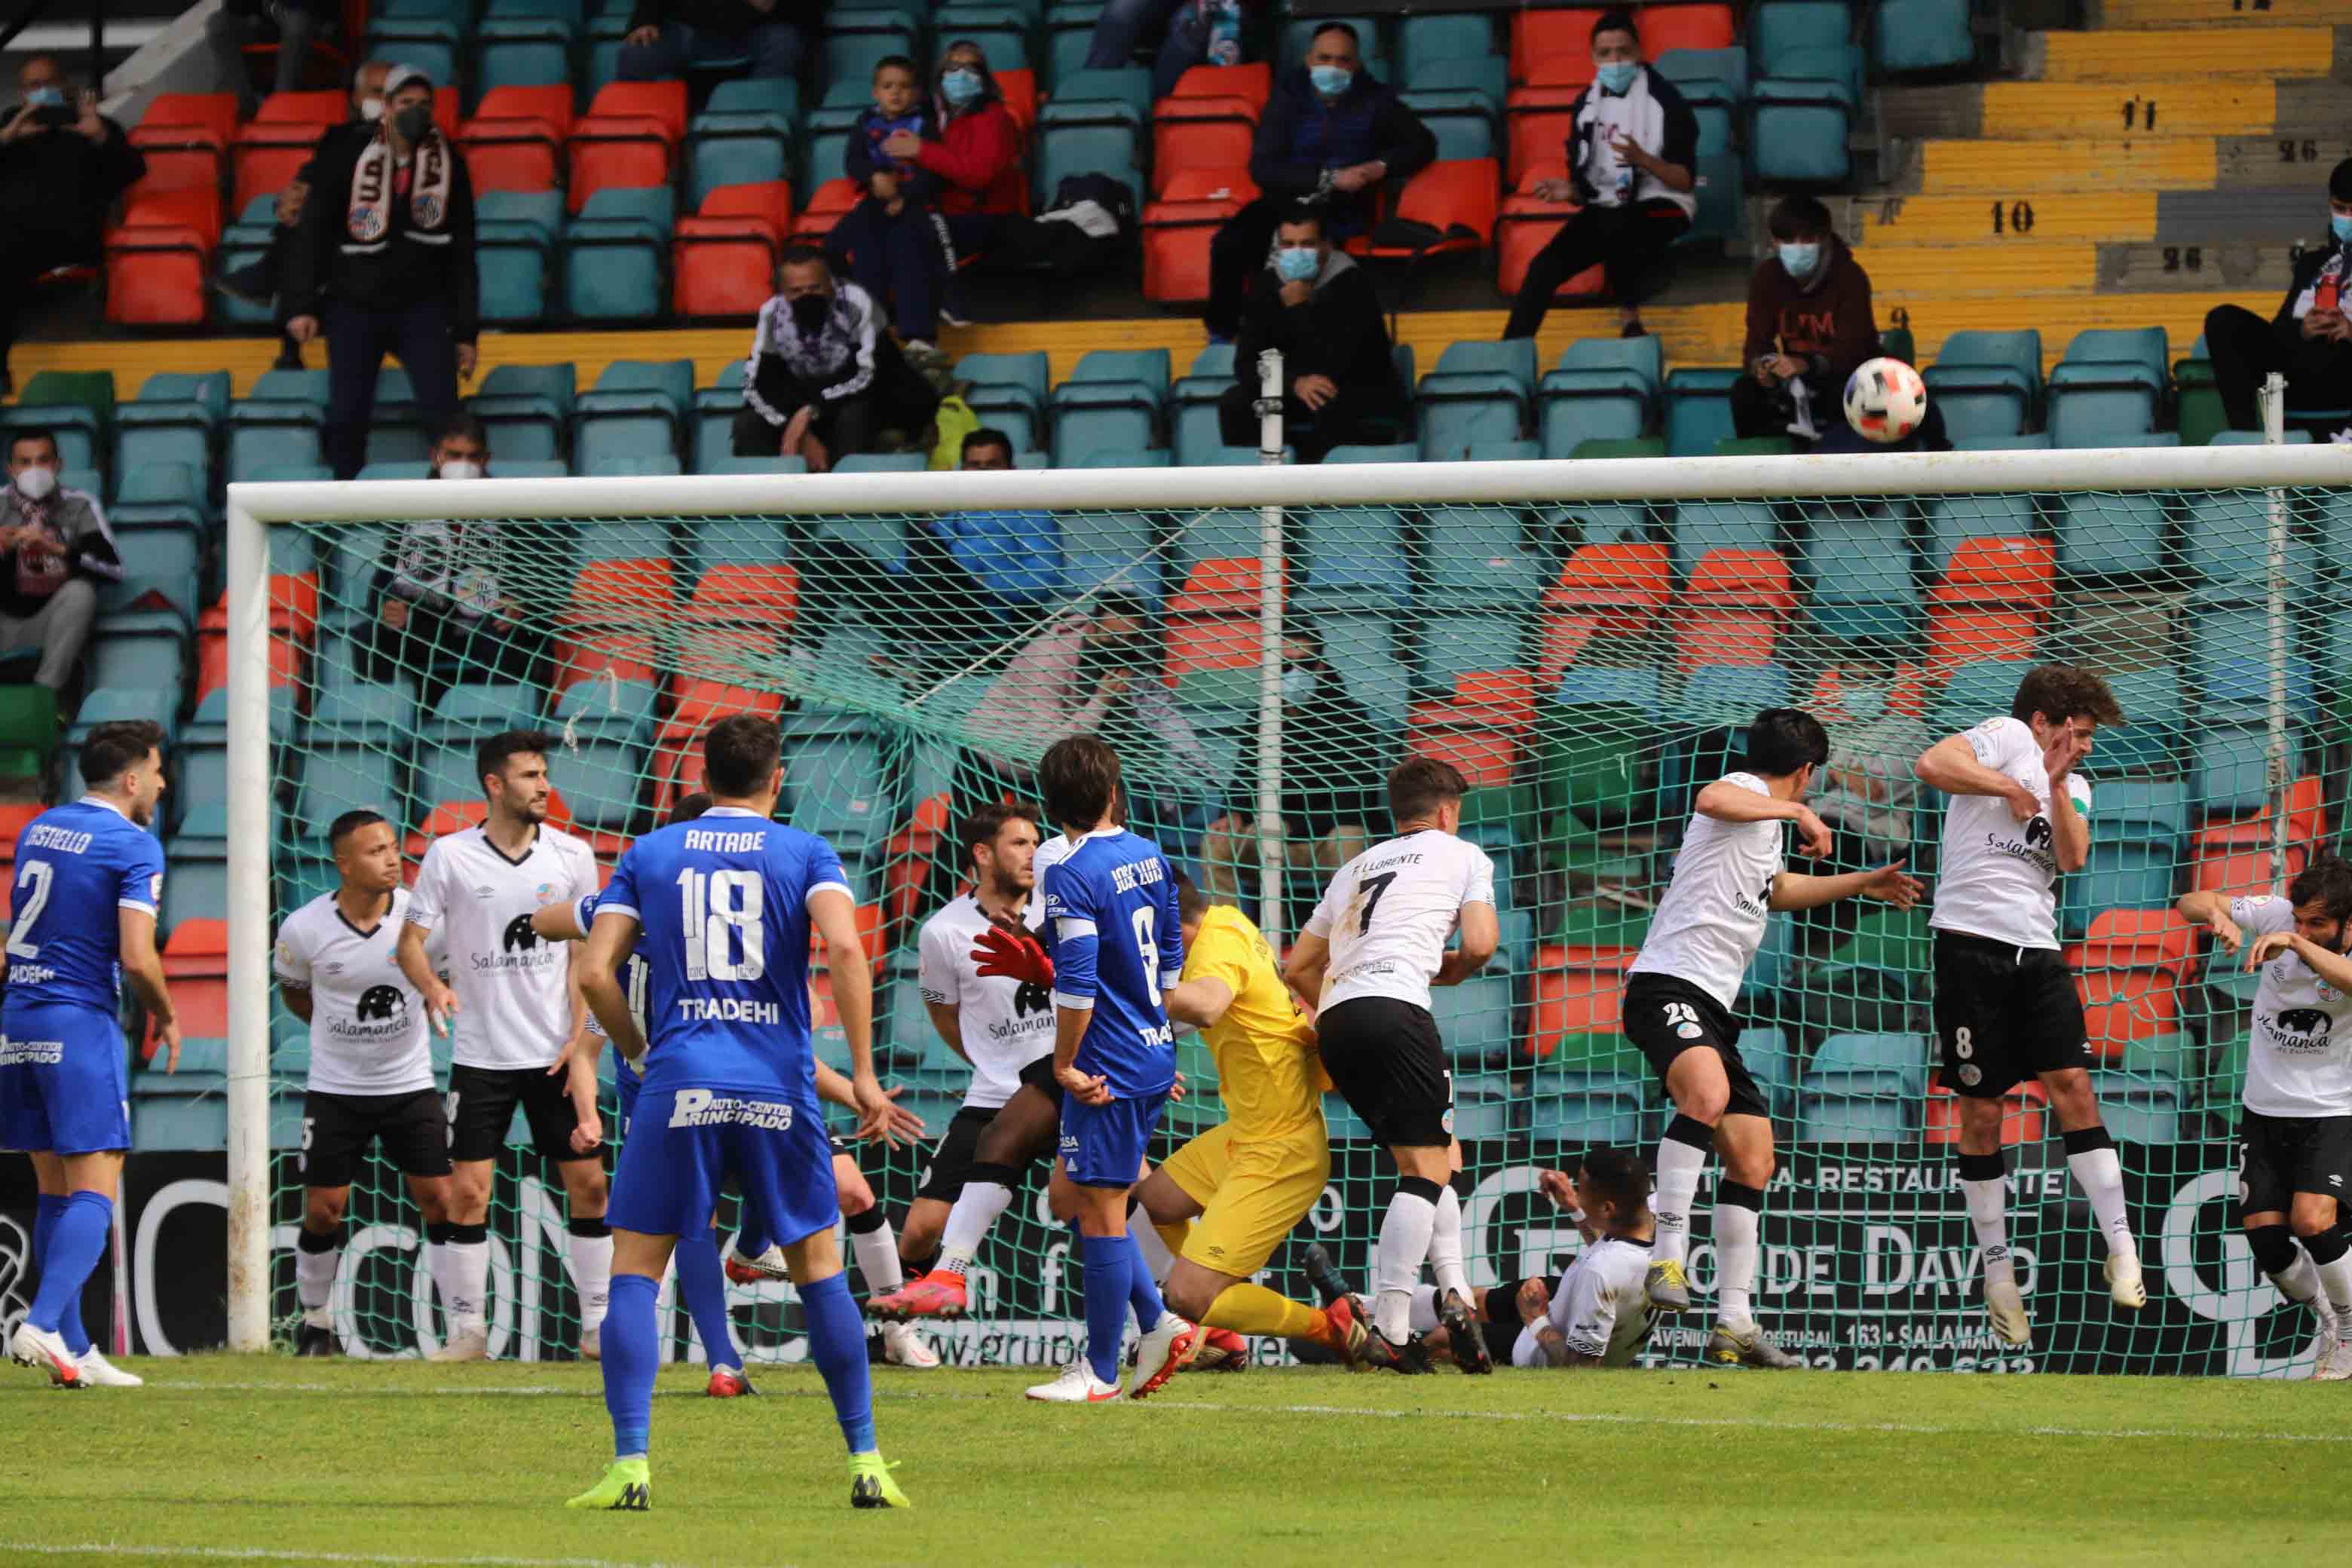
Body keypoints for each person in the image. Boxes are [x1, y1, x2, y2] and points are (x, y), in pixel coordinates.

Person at [565, 714, 908, 1511]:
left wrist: (638, 1048)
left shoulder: (651, 853)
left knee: (634, 1272)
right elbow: (848, 951)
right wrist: (861, 1073)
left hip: (678, 1077)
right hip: (778, 1083)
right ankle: (865, 1460)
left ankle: (631, 1466)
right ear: (776, 778)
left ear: (705, 774)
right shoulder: (805, 851)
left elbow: (592, 970)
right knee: (820, 1268)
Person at [537, 792, 936, 1389]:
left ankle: (880, 1318)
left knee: (844, 1188)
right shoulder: (640, 922)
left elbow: (557, 941)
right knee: (694, 1220)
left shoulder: (685, 926)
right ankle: (731, 1360)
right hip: (681, 1090)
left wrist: (858, 1094)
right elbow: (586, 1021)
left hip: (742, 1076)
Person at [1626, 708, 1921, 1367]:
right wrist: (1801, 816)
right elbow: (1711, 795)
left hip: (1712, 1005)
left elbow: (1777, 890)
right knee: (1703, 1096)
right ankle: (1667, 1260)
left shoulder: (1756, 827)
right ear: (1807, 772)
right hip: (1667, 986)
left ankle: (1735, 1322)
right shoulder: (1747, 793)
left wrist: (1864, 882)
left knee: (1755, 1161)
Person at [1913, 663, 2144, 1346]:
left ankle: (2123, 1248)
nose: (2088, 746)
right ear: (2044, 722)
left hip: (2036, 952)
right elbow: (1932, 761)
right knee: (1982, 1112)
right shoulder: (2007, 734)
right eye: (2080, 733)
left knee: (2073, 1085)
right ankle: (1998, 1274)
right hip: (1967, 949)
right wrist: (2014, 782)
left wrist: (2054, 788)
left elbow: (2072, 859)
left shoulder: (2076, 785)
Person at [395, 730, 606, 1364]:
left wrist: (579, 1037)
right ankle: (466, 1331)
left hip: (553, 1054)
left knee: (591, 1185)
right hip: (482, 1057)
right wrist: (433, 985)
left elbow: (585, 955)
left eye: (545, 775)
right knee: (468, 1193)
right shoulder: (449, 857)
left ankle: (597, 1325)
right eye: (530, 776)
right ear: (494, 784)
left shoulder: (572, 855)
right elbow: (408, 944)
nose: (544, 787)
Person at [1283, 757, 1499, 1372]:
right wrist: (1454, 967)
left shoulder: (1354, 866)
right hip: (1396, 1008)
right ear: (1447, 811)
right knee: (1432, 1164)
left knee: (1424, 1159)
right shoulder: (1463, 856)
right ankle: (1393, 1325)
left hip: (1338, 1020)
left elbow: (1297, 969)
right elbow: (1482, 943)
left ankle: (1448, 1292)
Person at [1018, 735, 1199, 1402]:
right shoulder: (1148, 852)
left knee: (1098, 1211)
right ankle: (1158, 1322)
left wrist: (1066, 1062)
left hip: (1107, 1061)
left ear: (1052, 806)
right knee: (1081, 1198)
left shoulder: (1070, 871)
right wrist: (1157, 1025)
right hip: (1150, 1046)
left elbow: (1079, 981)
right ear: (1114, 792)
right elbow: (1173, 946)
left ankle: (1097, 1372)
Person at [1132, 874, 1367, 1371]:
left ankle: (1333, 1328)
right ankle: (1212, 1318)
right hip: (1250, 1132)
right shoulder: (1227, 919)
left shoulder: (1214, 947)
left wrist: (1133, 983)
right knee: (1157, 1202)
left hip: (1281, 1149)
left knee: (1188, 1294)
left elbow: (1209, 1004)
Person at [2, 719, 174, 1389]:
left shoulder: (38, 829)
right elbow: (136, 955)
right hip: (78, 1020)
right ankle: (42, 1324)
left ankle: (74, 1349)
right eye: (157, 771)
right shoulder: (135, 845)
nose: (162, 783)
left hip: (18, 1019)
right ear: (132, 779)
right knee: (97, 1188)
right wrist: (165, 1010)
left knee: (55, 1190)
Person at [273, 809, 455, 1359]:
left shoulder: (422, 920)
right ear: (343, 863)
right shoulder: (304, 929)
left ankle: (462, 1325)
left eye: (394, 847)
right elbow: (296, 993)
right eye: (376, 851)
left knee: (441, 1202)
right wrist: (339, 1033)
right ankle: (315, 1324)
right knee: (324, 1209)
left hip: (410, 1085)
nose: (392, 858)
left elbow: (439, 979)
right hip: (335, 1090)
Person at [2178, 856, 2352, 1379]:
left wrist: (2297, 945)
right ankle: (2329, 1314)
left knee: (2312, 1220)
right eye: (2297, 920)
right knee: (2269, 1247)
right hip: (2264, 1109)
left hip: (2333, 1110)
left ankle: (2349, 1332)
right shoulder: (2277, 913)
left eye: (2316, 923)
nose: (2301, 928)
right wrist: (2218, 916)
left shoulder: (2302, 941)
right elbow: (2192, 901)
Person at [284, 65, 479, 482]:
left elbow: (463, 251)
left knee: (443, 413)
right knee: (347, 418)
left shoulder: (450, 162)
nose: (416, 111)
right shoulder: (347, 152)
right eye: (406, 103)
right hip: (354, 306)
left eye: (425, 104)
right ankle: (344, 517)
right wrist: (301, 304)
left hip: (422, 308)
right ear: (386, 107)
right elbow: (313, 231)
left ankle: (452, 516)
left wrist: (466, 331)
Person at [896, 805, 1054, 1277]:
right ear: (983, 853)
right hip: (995, 1092)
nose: (1032, 854)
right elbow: (943, 1014)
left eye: (1035, 843)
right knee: (922, 1228)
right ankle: (898, 1332)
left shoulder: (1061, 906)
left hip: (1066, 1085)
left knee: (1125, 1201)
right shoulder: (943, 931)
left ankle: (1173, 1323)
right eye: (1019, 843)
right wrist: (991, 1058)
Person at [1203, 24, 1435, 344]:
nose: (1334, 67)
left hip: (1342, 207)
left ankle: (1285, 335)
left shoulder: (1377, 99)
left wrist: (1378, 168)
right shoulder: (1288, 95)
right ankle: (1222, 332)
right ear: (1309, 60)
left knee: (1296, 259)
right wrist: (1327, 177)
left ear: (1357, 64)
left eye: (1343, 60)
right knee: (1231, 244)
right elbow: (1263, 167)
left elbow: (1423, 144)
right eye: (1325, 58)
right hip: (1286, 198)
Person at [1501, 11, 1695, 342]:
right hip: (1607, 209)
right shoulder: (1586, 106)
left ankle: (1630, 319)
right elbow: (1590, 187)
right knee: (1544, 268)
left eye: (1624, 51)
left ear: (1639, 52)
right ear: (1593, 57)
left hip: (1664, 203)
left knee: (1619, 225)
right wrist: (1571, 191)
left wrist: (1644, 160)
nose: (1615, 60)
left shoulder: (1667, 101)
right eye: (1605, 53)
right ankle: (1510, 351)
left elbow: (1685, 180)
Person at [955, 593, 1212, 841]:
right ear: (1092, 628)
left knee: (1054, 846)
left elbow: (1161, 710)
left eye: (1131, 639)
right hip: (992, 754)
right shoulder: (1049, 656)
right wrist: (1101, 701)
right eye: (1112, 638)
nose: (1120, 648)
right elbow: (1049, 746)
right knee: (959, 845)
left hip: (1046, 774)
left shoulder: (1133, 654)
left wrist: (1194, 758)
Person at [219, 61, 393, 372]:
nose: (384, 100)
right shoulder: (339, 137)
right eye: (376, 92)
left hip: (384, 230)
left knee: (308, 228)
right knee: (303, 223)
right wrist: (287, 201)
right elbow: (310, 178)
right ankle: (278, 294)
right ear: (355, 98)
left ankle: (283, 324)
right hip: (336, 228)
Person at [1200, 622, 1389, 907]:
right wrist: (1234, 812)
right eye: (1285, 666)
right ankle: (1232, 941)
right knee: (1216, 843)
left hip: (1325, 840)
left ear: (1321, 667)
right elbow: (1243, 781)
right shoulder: (1260, 718)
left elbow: (1353, 805)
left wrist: (1289, 824)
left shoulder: (1352, 721)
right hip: (1272, 837)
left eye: (1306, 663)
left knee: (1349, 837)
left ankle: (1352, 941)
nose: (1296, 674)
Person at [365, 418, 543, 706]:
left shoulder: (512, 505)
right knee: (369, 635)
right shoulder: (408, 507)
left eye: (472, 456)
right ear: (436, 457)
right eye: (454, 455)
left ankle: (499, 724)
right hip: (424, 622)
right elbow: (383, 576)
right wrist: (388, 606)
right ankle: (379, 729)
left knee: (507, 634)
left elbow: (536, 571)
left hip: (487, 622)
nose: (463, 464)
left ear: (486, 459)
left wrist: (520, 601)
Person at [1213, 207, 1409, 464]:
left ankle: (1318, 496)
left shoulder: (1352, 284)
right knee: (1236, 402)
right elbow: (1246, 363)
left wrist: (1299, 308)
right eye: (1288, 244)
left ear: (1326, 246)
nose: (1296, 252)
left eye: (1306, 244)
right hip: (1296, 389)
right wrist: (1293, 384)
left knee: (1326, 398)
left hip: (1354, 389)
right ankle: (1258, 490)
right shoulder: (1266, 285)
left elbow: (1337, 363)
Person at [0, 56, 145, 398]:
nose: (42, 92)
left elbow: (133, 171)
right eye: (33, 86)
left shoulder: (92, 123)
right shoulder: (11, 126)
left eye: (48, 83)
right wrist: (8, 137)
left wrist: (100, 138)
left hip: (72, 236)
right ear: (21, 93)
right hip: (15, 239)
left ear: (64, 86)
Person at [870, 41, 1026, 349]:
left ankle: (921, 335)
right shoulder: (930, 117)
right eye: (952, 68)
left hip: (986, 220)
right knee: (882, 229)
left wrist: (922, 150)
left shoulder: (994, 118)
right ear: (940, 76)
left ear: (984, 77)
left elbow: (978, 175)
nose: (960, 75)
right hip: (937, 213)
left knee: (910, 233)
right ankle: (888, 335)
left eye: (970, 69)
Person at [731, 247, 940, 469]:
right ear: (782, 293)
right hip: (806, 403)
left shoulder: (855, 304)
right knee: (748, 424)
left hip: (873, 396)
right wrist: (792, 423)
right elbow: (759, 381)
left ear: (831, 284)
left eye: (815, 288)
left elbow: (866, 376)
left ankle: (845, 497)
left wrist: (809, 412)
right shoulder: (772, 314)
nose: (806, 297)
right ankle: (766, 498)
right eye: (796, 291)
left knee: (854, 414)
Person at [2204, 157, 2352, 435]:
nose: (2346, 218)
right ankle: (2244, 437)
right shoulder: (2312, 264)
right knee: (2223, 320)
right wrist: (2303, 330)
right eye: (2339, 209)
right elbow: (2279, 336)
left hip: (2344, 377)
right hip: (2300, 375)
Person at [1731, 195, 1879, 446]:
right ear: (1775, 242)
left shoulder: (1850, 277)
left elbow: (1855, 350)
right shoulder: (1766, 277)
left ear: (1823, 238)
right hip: (1794, 377)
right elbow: (1756, 341)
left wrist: (1809, 364)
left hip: (1843, 376)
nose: (1797, 247)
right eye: (1788, 240)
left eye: (1807, 239)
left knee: (1846, 390)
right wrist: (1764, 366)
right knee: (1745, 392)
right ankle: (1761, 470)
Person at [1797, 661, 1931, 937]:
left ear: (1888, 684)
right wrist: (1845, 771)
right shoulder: (1832, 730)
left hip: (1868, 831)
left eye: (1870, 680)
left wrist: (1834, 768)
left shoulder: (1911, 732)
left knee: (1811, 852)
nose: (1859, 689)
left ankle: (1809, 945)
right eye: (1851, 680)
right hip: (1815, 819)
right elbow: (1802, 788)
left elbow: (1874, 792)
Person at [828, 57, 943, 350]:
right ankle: (869, 330)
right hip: (874, 200)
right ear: (875, 92)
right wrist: (873, 177)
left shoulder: (925, 125)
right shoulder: (866, 122)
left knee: (909, 254)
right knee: (856, 251)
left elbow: (933, 173)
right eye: (888, 86)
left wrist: (904, 196)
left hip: (914, 205)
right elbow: (853, 161)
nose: (896, 93)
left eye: (904, 87)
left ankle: (918, 335)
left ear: (916, 94)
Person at [0, 429, 122, 691]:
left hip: (50, 625)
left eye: (43, 460)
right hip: (4, 623)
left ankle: (46, 697)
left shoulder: (79, 505)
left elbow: (114, 570)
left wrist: (57, 549)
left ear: (58, 465)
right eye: (25, 462)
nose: (34, 470)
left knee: (81, 593)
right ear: (11, 469)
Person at [618, 0, 807, 85]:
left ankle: (756, 136)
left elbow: (809, 14)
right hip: (689, 27)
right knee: (636, 52)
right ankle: (639, 143)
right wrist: (644, 20)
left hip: (759, 30)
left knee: (784, 42)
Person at [207, 0, 338, 112]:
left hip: (307, 16)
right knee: (218, 23)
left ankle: (283, 104)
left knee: (296, 22)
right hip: (265, 20)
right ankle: (240, 104)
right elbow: (237, 8)